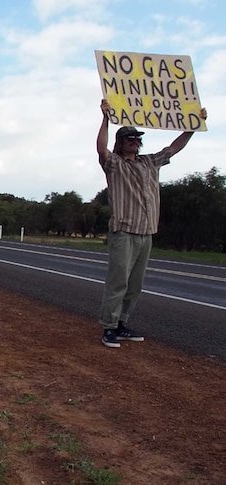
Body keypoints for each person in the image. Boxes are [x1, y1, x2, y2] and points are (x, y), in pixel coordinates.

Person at [96, 99, 208, 348]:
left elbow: (173, 148)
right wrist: (105, 118)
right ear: (121, 142)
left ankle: (122, 323)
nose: (134, 142)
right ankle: (109, 327)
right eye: (129, 139)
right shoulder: (114, 164)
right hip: (124, 231)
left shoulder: (149, 162)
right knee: (118, 282)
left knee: (135, 285)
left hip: (146, 232)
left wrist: (192, 126)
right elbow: (101, 149)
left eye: (137, 139)